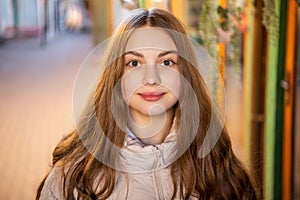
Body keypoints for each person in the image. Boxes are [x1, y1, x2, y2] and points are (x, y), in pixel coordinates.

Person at [36, 8, 260, 199]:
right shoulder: (74, 174)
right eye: (134, 63)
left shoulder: (216, 162)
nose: (151, 78)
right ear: (116, 76)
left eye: (167, 62)